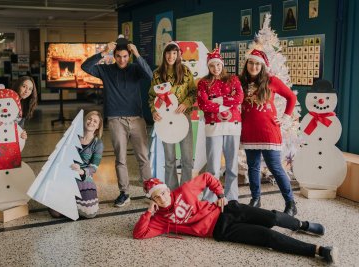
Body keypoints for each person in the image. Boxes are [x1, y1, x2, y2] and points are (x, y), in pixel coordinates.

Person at [133, 174, 338, 265]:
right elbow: (139, 234)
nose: (162, 198)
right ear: (152, 200)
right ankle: (318, 250)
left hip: (226, 211)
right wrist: (149, 213)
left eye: (163, 193)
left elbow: (206, 177)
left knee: (272, 217)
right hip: (220, 231)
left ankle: (302, 225)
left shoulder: (184, 191)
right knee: (267, 236)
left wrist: (220, 194)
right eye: (156, 197)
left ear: (168, 189)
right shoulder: (159, 220)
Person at [81, 35, 152, 207]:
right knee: (120, 158)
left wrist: (138, 55)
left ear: (129, 56)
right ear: (114, 56)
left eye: (125, 56)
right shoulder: (106, 70)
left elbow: (150, 75)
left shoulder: (136, 69)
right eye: (118, 56)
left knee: (143, 157)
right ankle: (124, 193)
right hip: (115, 120)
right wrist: (103, 52)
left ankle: (150, 190)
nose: (121, 60)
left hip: (136, 119)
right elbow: (85, 66)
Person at [239, 49, 298, 216]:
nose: (254, 66)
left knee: (275, 167)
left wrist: (285, 117)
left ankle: (290, 203)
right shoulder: (241, 82)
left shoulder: (271, 80)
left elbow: (291, 97)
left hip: (268, 131)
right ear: (247, 64)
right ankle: (256, 199)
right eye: (251, 62)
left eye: (257, 63)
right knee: (253, 167)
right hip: (249, 132)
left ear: (262, 66)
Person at [148, 41, 196, 190]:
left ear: (178, 54)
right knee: (169, 158)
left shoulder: (186, 72)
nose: (171, 56)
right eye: (168, 53)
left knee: (187, 158)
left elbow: (194, 92)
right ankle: (172, 190)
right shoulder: (157, 74)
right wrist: (154, 111)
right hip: (165, 121)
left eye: (174, 53)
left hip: (183, 118)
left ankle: (186, 189)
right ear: (164, 54)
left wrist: (186, 103)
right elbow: (151, 97)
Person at [197, 47, 243, 202]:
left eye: (218, 65)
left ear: (222, 64)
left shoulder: (233, 79)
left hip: (233, 127)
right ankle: (209, 199)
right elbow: (203, 104)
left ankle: (232, 198)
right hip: (213, 128)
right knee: (213, 168)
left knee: (232, 167)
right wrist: (225, 104)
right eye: (212, 65)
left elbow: (239, 98)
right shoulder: (203, 83)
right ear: (208, 66)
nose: (215, 68)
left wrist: (217, 101)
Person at [49, 110, 104, 219]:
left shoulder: (98, 143)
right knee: (55, 213)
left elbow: (94, 167)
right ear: (84, 120)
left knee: (89, 214)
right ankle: (68, 203)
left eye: (95, 121)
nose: (91, 122)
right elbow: (61, 154)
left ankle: (72, 205)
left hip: (84, 176)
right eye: (89, 119)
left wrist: (82, 171)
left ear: (98, 127)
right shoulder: (73, 136)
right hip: (67, 173)